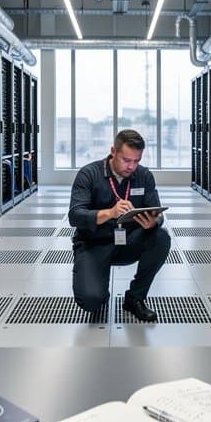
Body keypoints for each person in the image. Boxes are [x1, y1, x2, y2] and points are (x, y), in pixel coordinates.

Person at [68, 129, 171, 322]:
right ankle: (99, 290)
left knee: (161, 237)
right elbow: (75, 216)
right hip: (94, 243)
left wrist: (154, 222)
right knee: (91, 300)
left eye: (137, 161)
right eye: (126, 160)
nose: (131, 166)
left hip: (129, 241)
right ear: (113, 151)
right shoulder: (89, 174)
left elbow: (157, 214)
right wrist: (110, 213)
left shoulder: (144, 176)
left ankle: (135, 298)